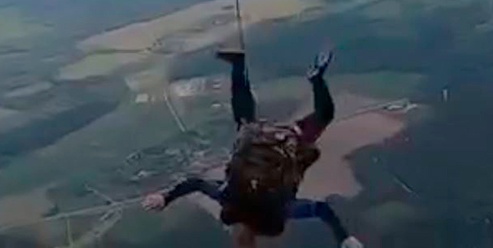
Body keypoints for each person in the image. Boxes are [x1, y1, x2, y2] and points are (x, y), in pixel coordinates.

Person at [142, 48, 363, 248]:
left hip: (282, 142)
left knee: (315, 116)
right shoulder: (231, 198)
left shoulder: (273, 209)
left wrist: (344, 238)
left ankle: (310, 78)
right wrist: (165, 198)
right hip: (270, 140)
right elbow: (196, 183)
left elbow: (320, 209)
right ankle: (244, 66)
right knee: (245, 121)